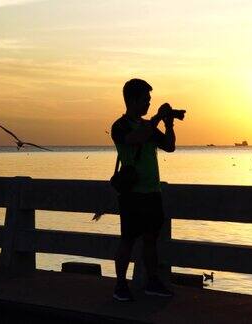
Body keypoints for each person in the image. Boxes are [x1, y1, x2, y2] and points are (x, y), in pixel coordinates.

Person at [111, 78, 182, 301]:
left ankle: (152, 281)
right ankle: (120, 285)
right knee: (128, 240)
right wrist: (156, 120)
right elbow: (134, 139)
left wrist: (168, 124)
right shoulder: (120, 126)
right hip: (132, 194)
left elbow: (169, 147)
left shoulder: (147, 126)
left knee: (151, 239)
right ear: (132, 100)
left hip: (152, 192)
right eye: (145, 99)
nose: (148, 104)